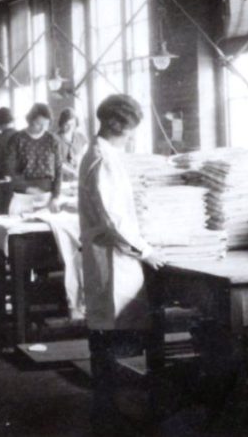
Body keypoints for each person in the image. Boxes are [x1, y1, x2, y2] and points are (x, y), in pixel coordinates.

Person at [79, 94, 164, 435]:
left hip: (109, 254)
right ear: (116, 125)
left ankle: (108, 407)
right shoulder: (104, 159)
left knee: (108, 334)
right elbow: (115, 219)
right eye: (129, 129)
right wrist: (146, 250)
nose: (132, 136)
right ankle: (109, 412)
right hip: (113, 256)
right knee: (110, 338)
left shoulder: (102, 154)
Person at [5, 103, 63, 214]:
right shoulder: (16, 139)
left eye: (46, 124)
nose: (42, 128)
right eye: (38, 124)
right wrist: (27, 188)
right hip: (22, 196)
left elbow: (58, 170)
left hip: (47, 196)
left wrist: (55, 197)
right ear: (30, 120)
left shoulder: (52, 140)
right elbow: (10, 170)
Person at [58, 108, 87, 182]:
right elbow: (56, 162)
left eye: (72, 124)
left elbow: (85, 156)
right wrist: (72, 173)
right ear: (61, 124)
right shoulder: (54, 139)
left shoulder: (81, 137)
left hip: (79, 177)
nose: (70, 127)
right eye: (67, 124)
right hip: (61, 178)